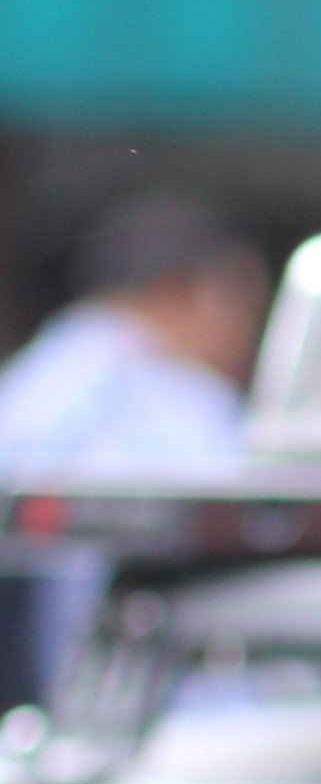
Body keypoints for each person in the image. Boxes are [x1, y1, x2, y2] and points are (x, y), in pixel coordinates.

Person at [0, 190, 265, 706]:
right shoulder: (176, 402)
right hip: (141, 740)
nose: (244, 338)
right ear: (174, 292)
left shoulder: (29, 383)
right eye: (237, 306)